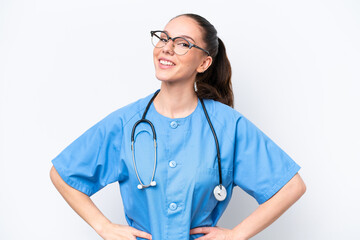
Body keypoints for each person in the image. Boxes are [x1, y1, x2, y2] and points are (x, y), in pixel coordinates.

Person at [50, 13, 306, 240]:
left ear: (204, 63)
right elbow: (63, 174)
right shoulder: (126, 122)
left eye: (182, 43)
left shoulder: (228, 126)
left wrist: (236, 235)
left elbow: (291, 186)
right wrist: (103, 227)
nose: (167, 48)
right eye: (163, 39)